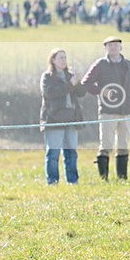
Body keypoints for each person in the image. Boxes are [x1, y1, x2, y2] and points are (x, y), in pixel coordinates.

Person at [81, 36, 130, 180]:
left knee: (123, 144)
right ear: (105, 48)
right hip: (108, 112)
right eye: (110, 45)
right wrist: (101, 91)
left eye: (116, 45)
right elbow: (86, 83)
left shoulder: (129, 65)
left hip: (126, 111)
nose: (113, 47)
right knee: (106, 145)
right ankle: (104, 178)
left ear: (121, 47)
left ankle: (122, 177)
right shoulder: (100, 65)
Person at [40, 48, 86, 185]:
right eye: (60, 58)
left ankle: (73, 180)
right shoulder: (47, 77)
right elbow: (51, 93)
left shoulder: (69, 76)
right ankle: (53, 181)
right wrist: (70, 84)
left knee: (71, 152)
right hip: (54, 119)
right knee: (53, 153)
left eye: (65, 58)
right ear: (53, 60)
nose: (64, 60)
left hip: (72, 119)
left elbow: (81, 93)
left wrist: (79, 82)